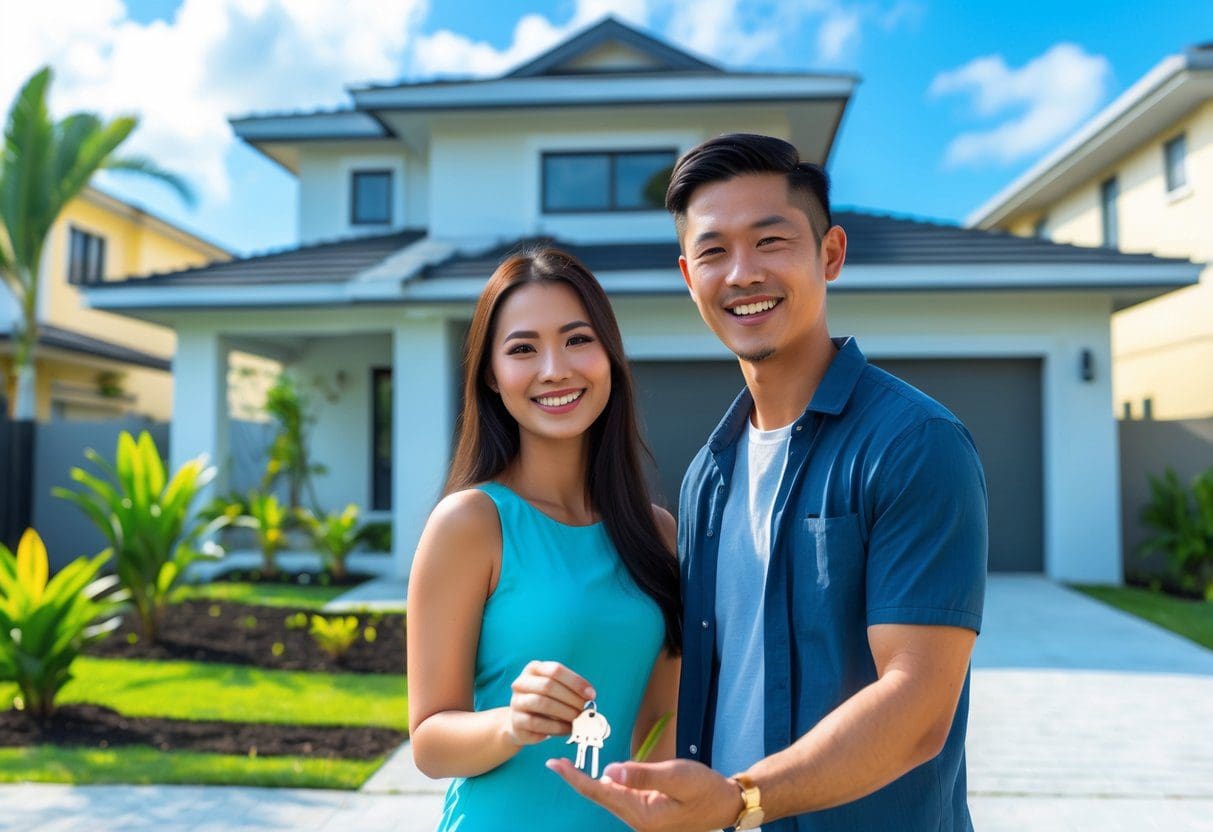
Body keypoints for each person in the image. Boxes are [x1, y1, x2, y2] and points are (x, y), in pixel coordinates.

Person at [549, 133, 988, 831]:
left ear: (831, 254)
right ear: (689, 278)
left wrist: (744, 799)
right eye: (714, 251)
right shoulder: (706, 477)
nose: (742, 273)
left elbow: (917, 709)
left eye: (770, 241)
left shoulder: (913, 445)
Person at [407, 247, 682, 832]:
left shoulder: (657, 535)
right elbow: (430, 741)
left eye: (577, 339)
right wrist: (511, 722)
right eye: (523, 348)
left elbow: (662, 722)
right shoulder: (469, 524)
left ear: (609, 354)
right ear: (491, 373)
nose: (554, 368)